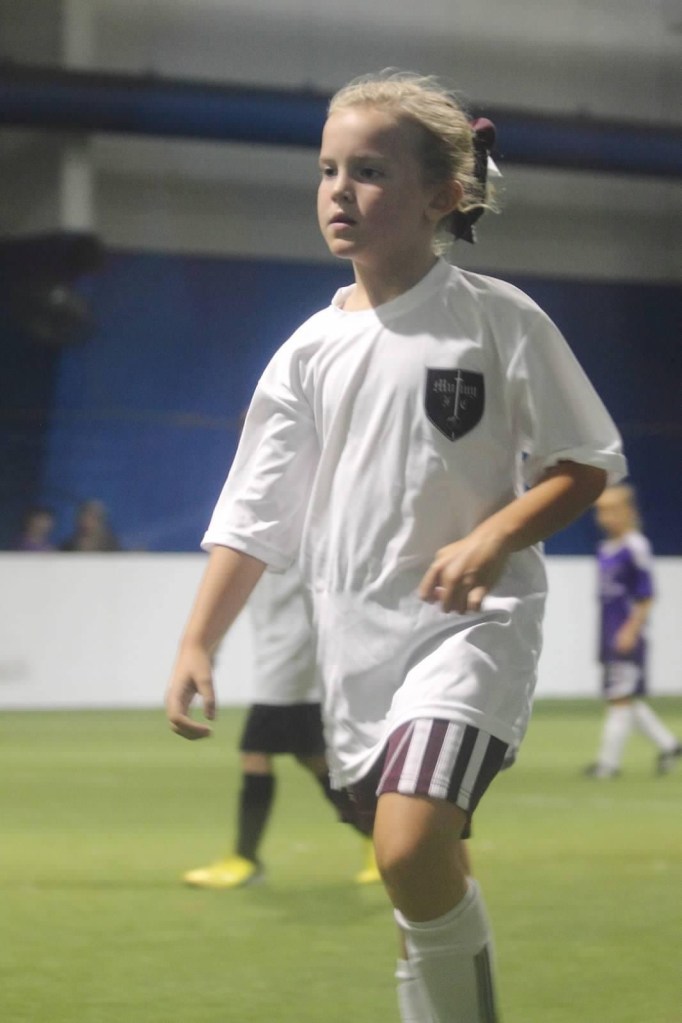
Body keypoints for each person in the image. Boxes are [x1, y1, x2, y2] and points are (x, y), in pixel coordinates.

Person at [166, 71, 625, 1023]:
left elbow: (585, 464)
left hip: (471, 633)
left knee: (408, 847)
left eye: (369, 171)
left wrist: (495, 535)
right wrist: (198, 640)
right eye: (328, 169)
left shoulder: (499, 319)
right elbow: (252, 513)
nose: (340, 190)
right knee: (420, 876)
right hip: (356, 656)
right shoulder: (305, 352)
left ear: (442, 196)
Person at [183, 563, 380, 889]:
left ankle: (244, 859)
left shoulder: (288, 546)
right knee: (314, 759)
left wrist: (204, 647)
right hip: (289, 663)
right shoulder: (266, 549)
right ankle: (378, 839)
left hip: (289, 668)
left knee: (255, 753)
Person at [585, 483, 681, 779]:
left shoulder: (635, 547)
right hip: (608, 633)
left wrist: (631, 630)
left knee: (619, 698)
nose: (605, 517)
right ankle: (670, 745)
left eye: (612, 510)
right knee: (624, 697)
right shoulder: (605, 550)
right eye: (601, 511)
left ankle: (608, 764)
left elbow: (646, 595)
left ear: (628, 511)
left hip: (628, 634)